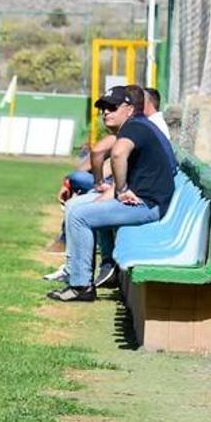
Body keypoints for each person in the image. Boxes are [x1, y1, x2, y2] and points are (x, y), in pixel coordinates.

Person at [47, 85, 176, 302]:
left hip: (149, 206)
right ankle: (77, 273)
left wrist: (122, 189)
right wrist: (116, 189)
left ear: (129, 108)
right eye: (104, 108)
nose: (106, 112)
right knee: (74, 206)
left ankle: (81, 286)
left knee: (80, 215)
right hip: (143, 200)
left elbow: (117, 154)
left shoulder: (135, 126)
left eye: (112, 107)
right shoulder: (136, 125)